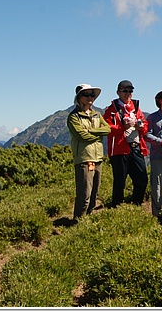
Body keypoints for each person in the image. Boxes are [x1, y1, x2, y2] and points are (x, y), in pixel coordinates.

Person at [67, 83, 112, 221]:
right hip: (84, 158)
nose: (90, 97)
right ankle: (78, 221)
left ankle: (87, 219)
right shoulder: (74, 117)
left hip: (98, 158)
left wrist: (91, 131)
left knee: (94, 193)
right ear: (79, 97)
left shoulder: (97, 114)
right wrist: (98, 134)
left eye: (92, 94)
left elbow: (108, 129)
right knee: (84, 193)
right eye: (86, 94)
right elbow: (81, 136)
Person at [104, 80, 149, 206]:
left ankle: (136, 204)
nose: (128, 93)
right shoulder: (111, 110)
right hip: (119, 150)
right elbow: (107, 128)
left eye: (130, 91)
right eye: (125, 91)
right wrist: (122, 127)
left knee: (142, 179)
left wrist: (141, 127)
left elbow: (145, 125)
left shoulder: (136, 108)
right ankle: (117, 207)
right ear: (118, 92)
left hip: (135, 147)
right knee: (120, 181)